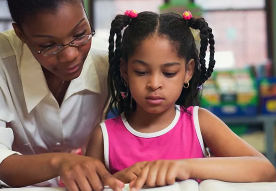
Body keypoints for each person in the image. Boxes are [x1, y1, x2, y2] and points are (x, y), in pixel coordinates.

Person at [86, 10, 276, 190]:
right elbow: (89, 186)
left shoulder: (200, 122)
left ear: (188, 72)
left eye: (169, 73)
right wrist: (118, 180)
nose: (154, 84)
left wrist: (185, 167)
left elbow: (266, 171)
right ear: (124, 70)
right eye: (141, 72)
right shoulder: (103, 137)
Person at [0, 0, 124, 190]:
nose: (70, 56)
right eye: (48, 46)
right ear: (21, 34)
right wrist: (60, 163)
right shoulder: (4, 62)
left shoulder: (109, 63)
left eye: (80, 34)